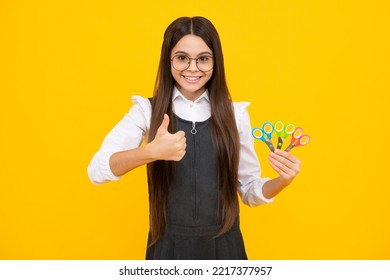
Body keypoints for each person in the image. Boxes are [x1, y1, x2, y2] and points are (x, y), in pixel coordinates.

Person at [87, 16, 301, 260]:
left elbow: (250, 191)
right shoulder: (146, 111)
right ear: (168, 60)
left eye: (203, 59)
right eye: (181, 58)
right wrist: (150, 152)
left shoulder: (235, 114)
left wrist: (282, 180)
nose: (192, 68)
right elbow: (96, 171)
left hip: (226, 251)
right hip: (167, 249)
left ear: (215, 62)